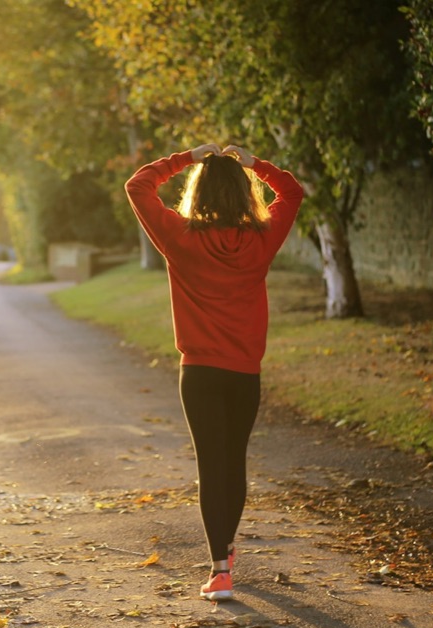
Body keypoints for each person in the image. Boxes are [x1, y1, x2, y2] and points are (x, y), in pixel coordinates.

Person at [125, 143, 304, 601]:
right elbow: (293, 191)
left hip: (200, 372)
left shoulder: (180, 237)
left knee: (211, 466)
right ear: (245, 195)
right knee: (234, 462)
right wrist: (255, 165)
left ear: (198, 193)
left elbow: (138, 185)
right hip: (244, 372)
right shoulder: (262, 239)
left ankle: (220, 569)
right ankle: (224, 551)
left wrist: (187, 157)